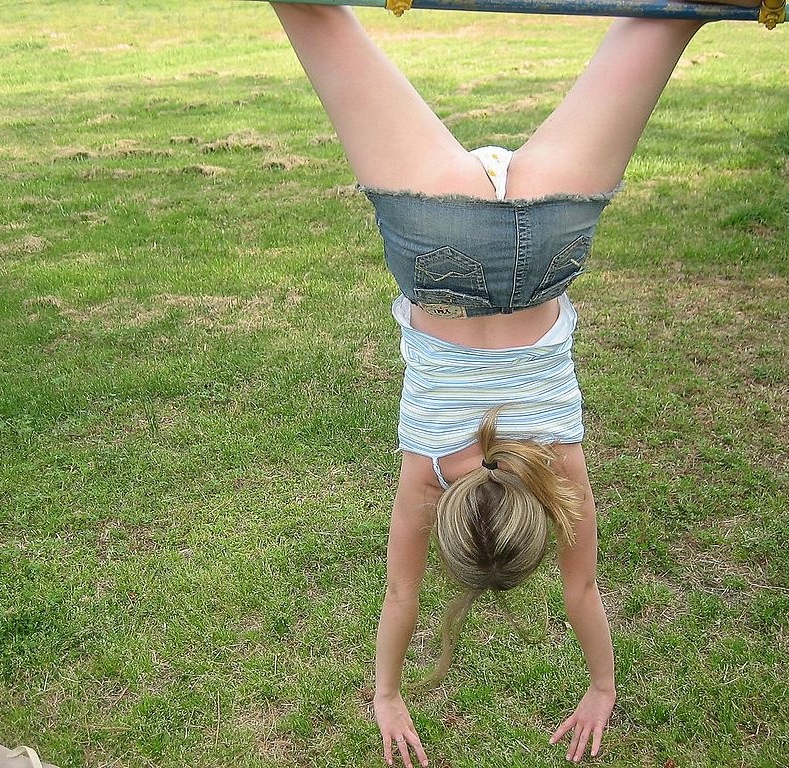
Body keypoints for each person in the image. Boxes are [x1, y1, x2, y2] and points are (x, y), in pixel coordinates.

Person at [270, 2, 759, 765]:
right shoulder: (428, 476)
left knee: (671, 15)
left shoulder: (558, 471)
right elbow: (402, 599)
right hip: (441, 243)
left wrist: (603, 686)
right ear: (445, 526)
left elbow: (581, 593)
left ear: (544, 518)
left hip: (549, 244)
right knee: (315, 14)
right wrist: (387, 693)